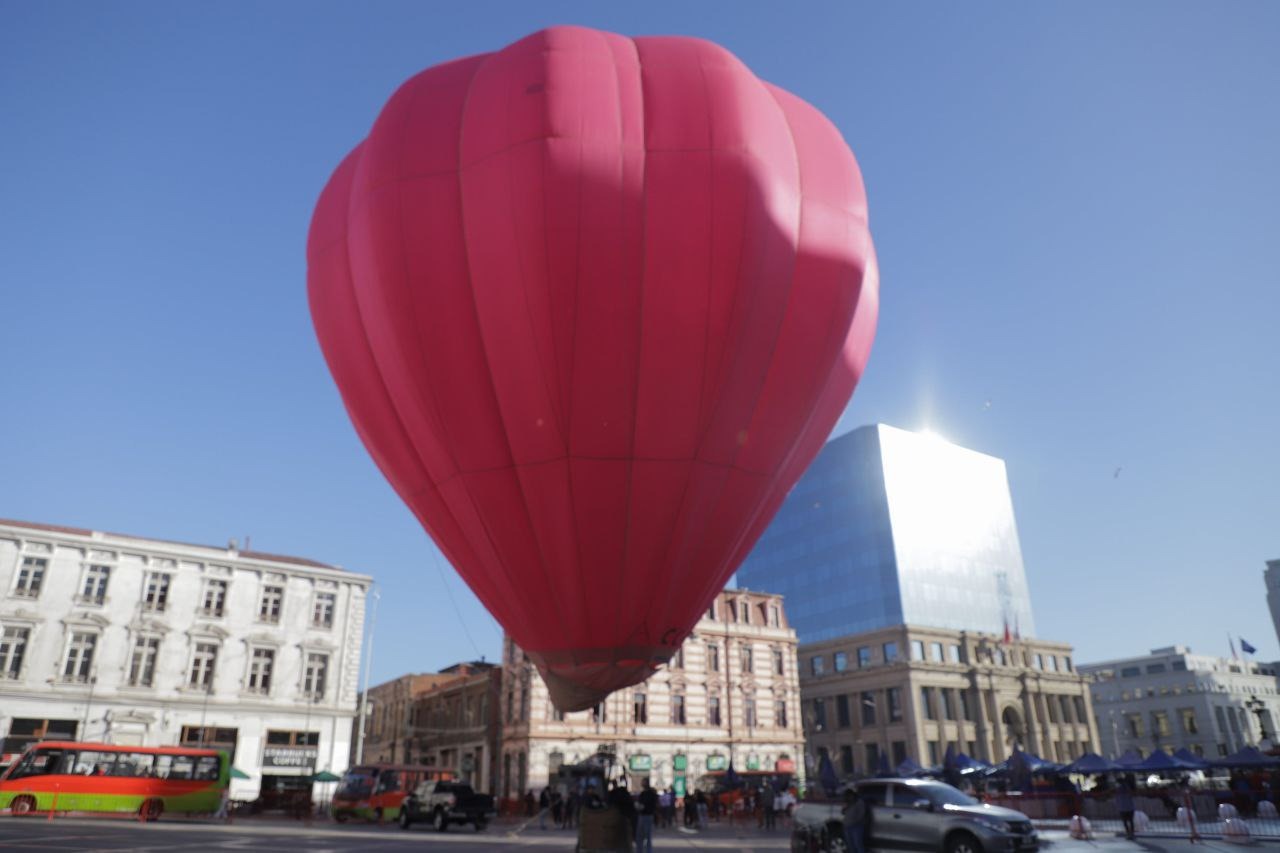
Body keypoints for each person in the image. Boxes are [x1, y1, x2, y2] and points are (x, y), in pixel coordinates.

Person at [841, 788, 868, 853]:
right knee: (850, 845)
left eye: (849, 796)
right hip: (847, 827)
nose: (848, 797)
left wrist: (854, 822)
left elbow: (861, 815)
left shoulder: (859, 802)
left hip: (857, 827)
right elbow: (843, 812)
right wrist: (845, 807)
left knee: (858, 845)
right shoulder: (847, 803)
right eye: (846, 796)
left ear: (853, 795)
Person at [636, 780, 658, 853]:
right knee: (641, 836)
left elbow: (652, 805)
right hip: (643, 815)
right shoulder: (643, 793)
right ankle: (641, 850)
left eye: (643, 782)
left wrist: (642, 806)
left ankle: (647, 851)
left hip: (647, 815)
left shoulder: (650, 794)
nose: (642, 783)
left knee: (646, 835)